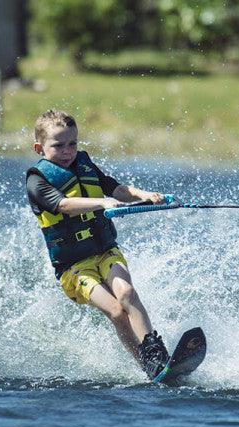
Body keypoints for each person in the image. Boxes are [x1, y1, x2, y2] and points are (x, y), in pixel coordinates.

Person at [25, 109, 173, 381]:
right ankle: (145, 364)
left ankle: (157, 355)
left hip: (105, 251)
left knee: (127, 293)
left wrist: (143, 195)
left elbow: (114, 188)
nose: (68, 151)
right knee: (116, 311)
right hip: (73, 268)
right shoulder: (37, 180)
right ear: (39, 147)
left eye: (73, 144)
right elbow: (63, 205)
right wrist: (102, 202)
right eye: (58, 145)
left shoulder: (84, 166)